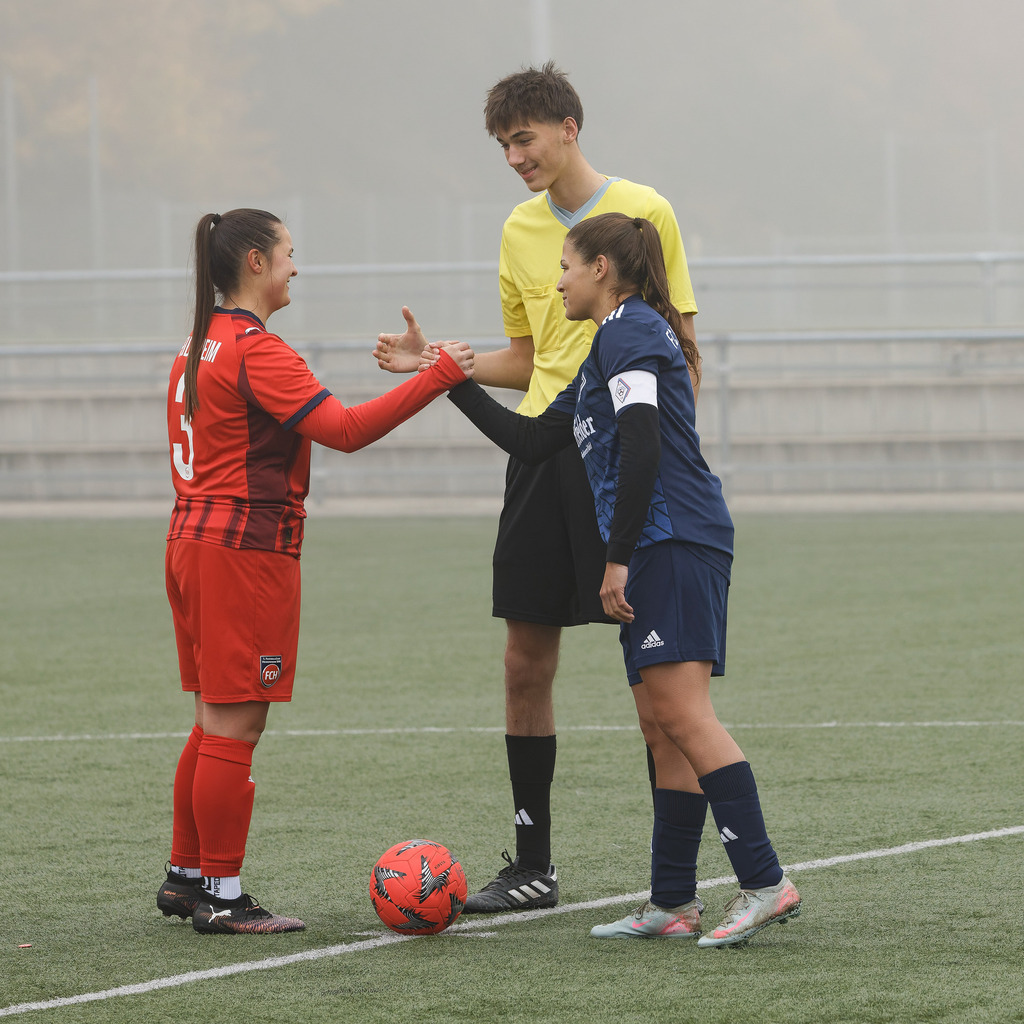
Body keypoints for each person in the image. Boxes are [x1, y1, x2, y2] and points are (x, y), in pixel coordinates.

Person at [374, 62, 698, 913]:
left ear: (568, 129)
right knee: (523, 664)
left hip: (619, 461)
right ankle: (533, 866)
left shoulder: (645, 212)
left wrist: (666, 458)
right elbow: (526, 358)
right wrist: (436, 361)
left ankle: (672, 881)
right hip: (542, 448)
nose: (515, 158)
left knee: (652, 682)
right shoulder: (519, 228)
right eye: (503, 146)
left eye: (524, 139)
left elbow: (680, 345)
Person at [441, 212, 801, 947]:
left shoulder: (632, 330)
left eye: (566, 267)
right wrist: (449, 380)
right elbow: (533, 439)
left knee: (684, 714)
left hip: (674, 538)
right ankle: (671, 903)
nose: (558, 282)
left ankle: (766, 882)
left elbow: (642, 446)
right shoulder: (606, 343)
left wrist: (617, 556)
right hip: (658, 543)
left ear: (601, 268)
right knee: (661, 723)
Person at [158, 208, 473, 935]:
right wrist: (440, 377)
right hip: (242, 552)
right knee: (235, 724)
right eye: (288, 253)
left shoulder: (199, 341)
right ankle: (221, 896)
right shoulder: (256, 349)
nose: (296, 266)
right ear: (255, 262)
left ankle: (187, 876)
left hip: (192, 540)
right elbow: (346, 431)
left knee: (212, 720)